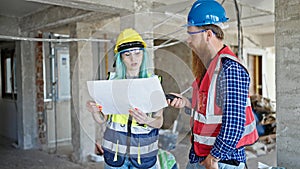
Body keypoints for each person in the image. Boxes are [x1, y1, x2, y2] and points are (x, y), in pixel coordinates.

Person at [167, 1, 259, 169]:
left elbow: (235, 123)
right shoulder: (210, 66)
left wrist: (214, 157)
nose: (188, 40)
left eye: (191, 34)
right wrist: (187, 103)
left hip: (222, 161)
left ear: (208, 34)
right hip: (200, 156)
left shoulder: (230, 69)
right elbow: (208, 109)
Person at [86, 28, 163, 169]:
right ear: (120, 58)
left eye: (137, 53)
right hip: (115, 153)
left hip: (144, 153)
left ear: (143, 55)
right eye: (128, 55)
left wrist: (147, 120)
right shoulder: (111, 82)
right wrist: (95, 111)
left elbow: (159, 121)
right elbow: (103, 119)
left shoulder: (153, 83)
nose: (134, 59)